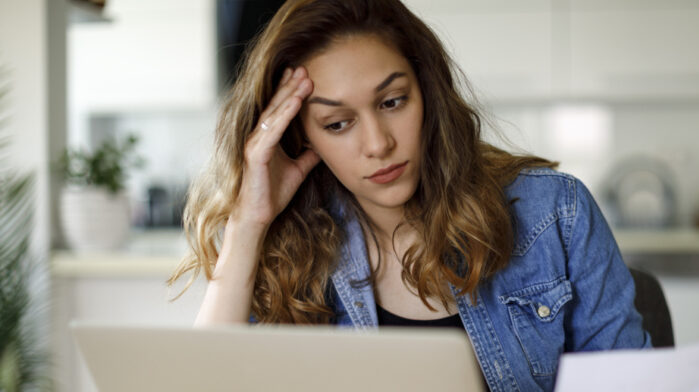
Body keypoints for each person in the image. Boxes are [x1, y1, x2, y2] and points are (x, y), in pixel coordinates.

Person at [168, 0, 651, 390]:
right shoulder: (291, 245)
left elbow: (632, 383)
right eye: (338, 124)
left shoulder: (554, 213)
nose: (378, 144)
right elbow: (203, 382)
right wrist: (248, 223)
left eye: (393, 101)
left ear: (428, 93)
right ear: (301, 138)